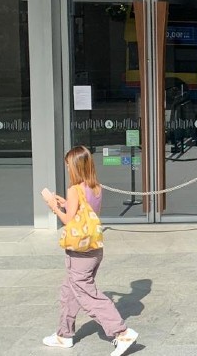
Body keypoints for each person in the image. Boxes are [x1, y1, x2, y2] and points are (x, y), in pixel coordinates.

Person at [41, 146, 139, 356]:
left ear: (75, 166)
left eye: (68, 165)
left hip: (80, 252)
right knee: (69, 290)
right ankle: (64, 334)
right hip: (94, 248)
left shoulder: (74, 189)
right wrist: (66, 203)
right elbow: (87, 213)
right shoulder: (96, 187)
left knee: (87, 295)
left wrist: (53, 205)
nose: (67, 168)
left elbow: (68, 220)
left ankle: (121, 333)